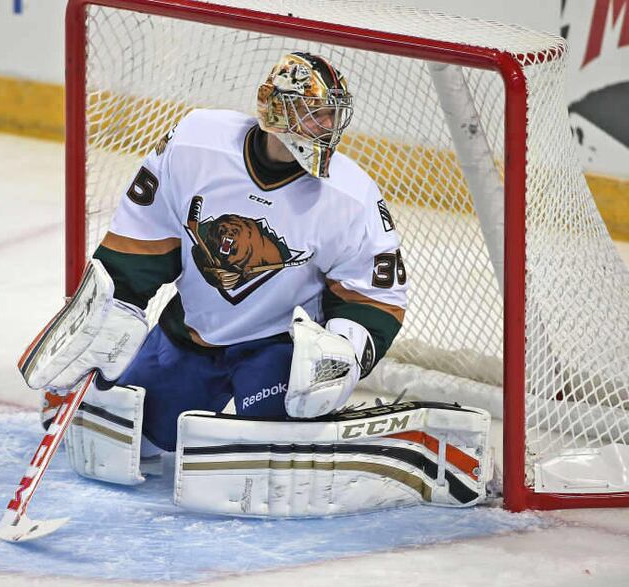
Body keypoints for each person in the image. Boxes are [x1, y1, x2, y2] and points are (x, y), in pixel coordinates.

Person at [24, 51, 408, 477]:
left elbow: (375, 296)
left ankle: (343, 433)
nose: (326, 127)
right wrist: (114, 306)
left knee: (272, 458)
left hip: (277, 349)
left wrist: (341, 353)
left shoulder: (351, 196)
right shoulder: (196, 143)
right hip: (190, 334)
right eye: (312, 113)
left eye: (330, 116)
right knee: (133, 444)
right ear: (276, 110)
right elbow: (146, 230)